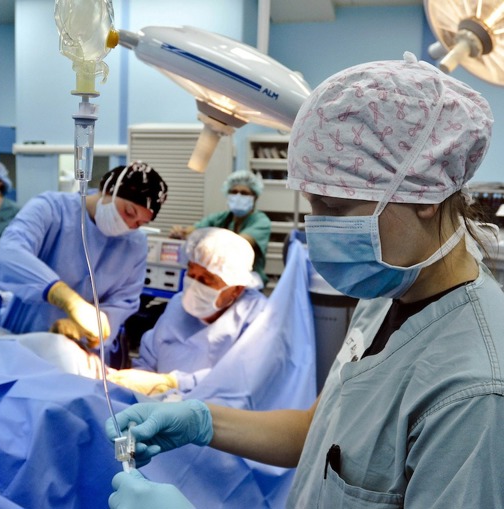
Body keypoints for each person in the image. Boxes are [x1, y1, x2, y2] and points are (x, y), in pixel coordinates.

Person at [104, 53, 504, 509]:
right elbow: (321, 433)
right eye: (312, 205)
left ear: (426, 195)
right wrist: (201, 421)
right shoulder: (390, 290)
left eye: (333, 209)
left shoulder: (474, 394)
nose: (317, 229)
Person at [0, 161, 168, 350]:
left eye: (139, 223)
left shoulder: (135, 244)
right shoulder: (51, 208)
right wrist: (62, 295)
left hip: (81, 351)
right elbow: (10, 252)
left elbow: (124, 301)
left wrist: (90, 328)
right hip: (25, 336)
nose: (129, 225)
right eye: (128, 212)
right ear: (107, 189)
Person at [107, 227, 266, 395]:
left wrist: (172, 383)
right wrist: (139, 383)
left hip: (217, 414)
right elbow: (149, 358)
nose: (194, 285)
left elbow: (241, 377)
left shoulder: (257, 318)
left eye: (206, 280)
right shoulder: (178, 305)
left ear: (236, 289)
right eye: (191, 272)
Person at [169, 170, 271, 286]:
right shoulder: (221, 218)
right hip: (218, 278)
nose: (238, 196)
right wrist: (181, 233)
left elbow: (239, 243)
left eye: (244, 193)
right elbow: (194, 231)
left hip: (248, 280)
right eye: (234, 192)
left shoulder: (261, 221)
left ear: (255, 197)